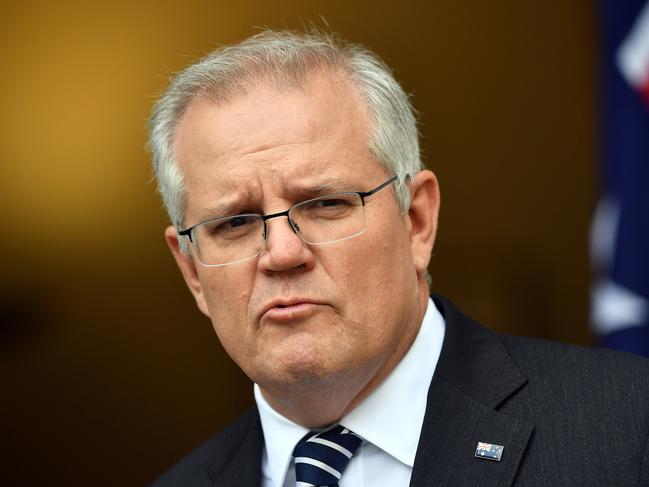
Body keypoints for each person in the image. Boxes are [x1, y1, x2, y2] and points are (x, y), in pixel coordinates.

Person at [148, 30, 649, 487]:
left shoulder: (627, 429)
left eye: (326, 203)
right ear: (191, 271)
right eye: (234, 223)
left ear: (417, 222)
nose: (282, 252)